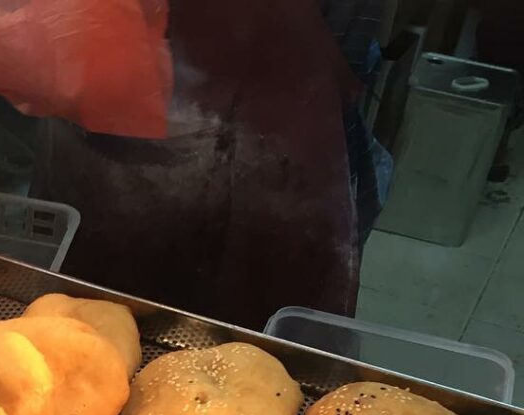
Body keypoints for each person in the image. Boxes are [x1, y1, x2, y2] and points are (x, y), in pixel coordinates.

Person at [30, 0, 386, 329]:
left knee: (265, 357)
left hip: (278, 163)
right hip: (98, 159)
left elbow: (347, 40)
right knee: (67, 339)